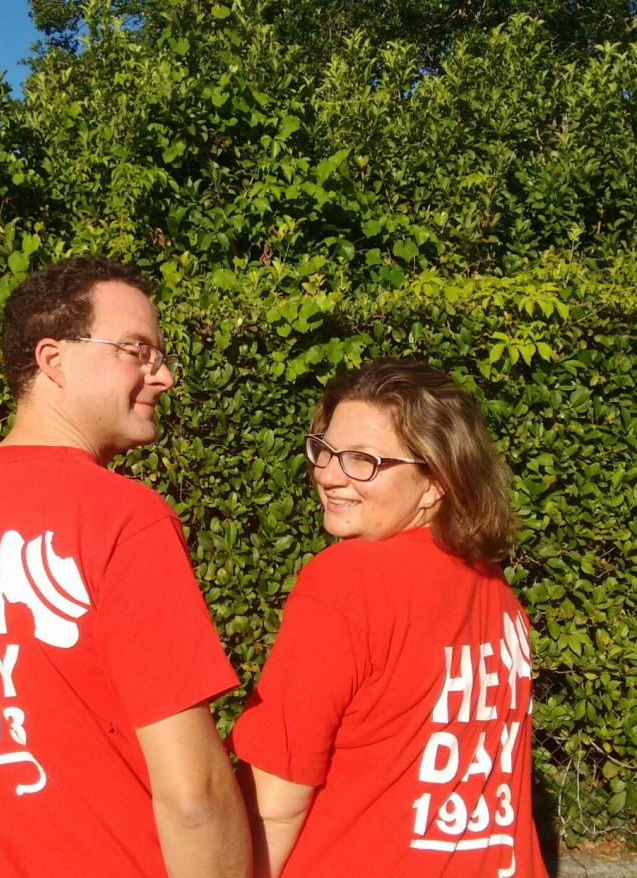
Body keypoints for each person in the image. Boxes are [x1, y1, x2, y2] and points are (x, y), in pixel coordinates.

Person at [0, 256, 251, 877]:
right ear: (53, 360)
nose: (165, 376)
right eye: (138, 350)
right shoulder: (124, 516)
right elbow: (194, 800)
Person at [229, 358, 548, 878]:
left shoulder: (348, 581)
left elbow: (275, 801)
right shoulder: (490, 585)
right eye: (325, 451)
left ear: (435, 481)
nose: (330, 475)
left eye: (364, 460)